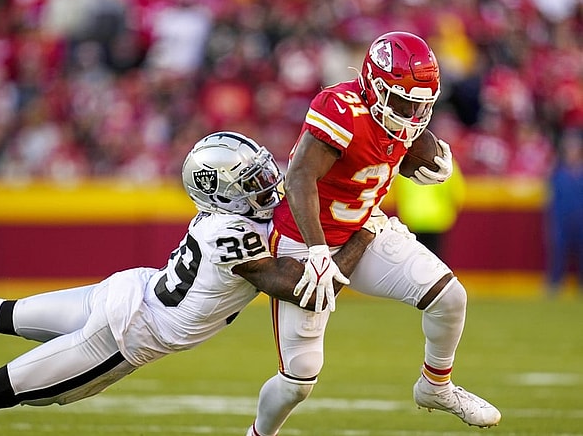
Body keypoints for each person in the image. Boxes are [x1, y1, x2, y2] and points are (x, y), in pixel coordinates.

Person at [0, 131, 376, 436]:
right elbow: (307, 288)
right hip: (125, 334)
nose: (269, 183)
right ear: (222, 192)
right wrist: (365, 234)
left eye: (264, 171)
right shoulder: (234, 234)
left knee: (3, 313)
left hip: (125, 292)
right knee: (0, 387)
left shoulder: (229, 218)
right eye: (253, 179)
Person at [247, 32, 501, 436]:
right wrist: (315, 250)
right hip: (306, 239)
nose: (414, 112)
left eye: (422, 103)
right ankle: (259, 433)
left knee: (450, 297)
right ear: (375, 86)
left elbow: (404, 143)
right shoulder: (341, 108)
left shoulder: (400, 118)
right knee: (299, 380)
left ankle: (436, 385)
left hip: (366, 228)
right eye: (405, 100)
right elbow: (298, 178)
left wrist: (431, 153)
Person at [391, 157, 466, 259]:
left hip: (412, 217)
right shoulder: (448, 163)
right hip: (437, 219)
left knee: (413, 259)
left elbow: (395, 191)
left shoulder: (404, 163)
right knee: (434, 260)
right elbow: (457, 194)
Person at [546, 130, 582, 296]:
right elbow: (551, 199)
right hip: (561, 220)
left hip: (580, 220)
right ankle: (555, 285)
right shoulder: (557, 172)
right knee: (558, 254)